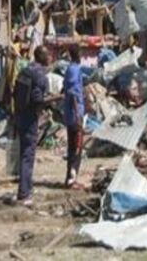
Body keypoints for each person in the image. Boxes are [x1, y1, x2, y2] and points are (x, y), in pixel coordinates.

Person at [13, 46, 51, 205]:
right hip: (30, 117)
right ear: (42, 57)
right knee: (28, 155)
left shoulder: (25, 70)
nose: (50, 57)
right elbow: (37, 99)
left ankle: (26, 186)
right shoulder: (40, 75)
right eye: (48, 54)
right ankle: (24, 193)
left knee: (24, 153)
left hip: (20, 115)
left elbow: (15, 92)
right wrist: (53, 99)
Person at [63, 45, 85, 188]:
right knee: (76, 146)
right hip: (74, 114)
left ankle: (70, 178)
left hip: (73, 112)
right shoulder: (73, 69)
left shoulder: (73, 69)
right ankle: (72, 179)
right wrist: (77, 114)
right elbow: (72, 94)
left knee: (74, 145)